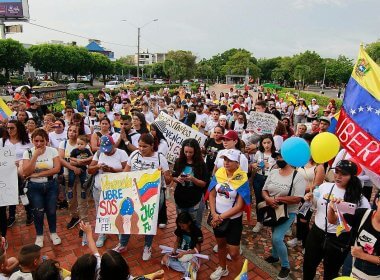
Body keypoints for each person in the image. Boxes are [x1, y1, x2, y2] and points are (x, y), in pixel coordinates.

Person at [302, 160, 371, 280]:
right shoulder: (324, 186)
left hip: (339, 239)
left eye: (343, 174)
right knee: (308, 265)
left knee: (331, 272)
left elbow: (365, 221)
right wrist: (310, 199)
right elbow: (316, 206)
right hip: (316, 233)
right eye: (337, 172)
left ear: (352, 177)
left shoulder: (360, 199)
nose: (338, 176)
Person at [113, 134, 172, 260]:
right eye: (139, 146)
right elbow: (126, 172)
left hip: (154, 195)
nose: (141, 149)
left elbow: (168, 181)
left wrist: (162, 174)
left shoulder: (160, 158)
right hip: (133, 191)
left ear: (152, 146)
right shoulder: (134, 155)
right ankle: (123, 244)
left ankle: (147, 246)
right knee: (126, 215)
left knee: (149, 219)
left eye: (144, 146)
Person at [207, 149, 251, 279]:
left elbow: (239, 206)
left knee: (233, 253)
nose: (226, 162)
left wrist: (219, 217)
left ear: (238, 163)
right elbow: (212, 193)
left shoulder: (242, 178)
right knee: (220, 245)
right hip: (217, 217)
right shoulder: (219, 172)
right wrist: (214, 213)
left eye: (230, 160)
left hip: (232, 221)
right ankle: (222, 268)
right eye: (225, 159)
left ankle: (241, 276)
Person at [262, 153, 306, 280]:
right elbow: (264, 189)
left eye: (282, 157)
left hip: (288, 212)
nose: (279, 160)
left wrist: (278, 198)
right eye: (278, 157)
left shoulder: (298, 176)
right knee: (274, 231)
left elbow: (298, 198)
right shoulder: (273, 172)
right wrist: (268, 199)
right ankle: (275, 256)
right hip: (272, 209)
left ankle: (285, 266)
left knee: (277, 237)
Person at [78, 222, 164, 280]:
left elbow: (94, 248)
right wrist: (154, 275)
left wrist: (88, 233)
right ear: (125, 267)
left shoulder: (98, 273)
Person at [22, 129, 62, 247]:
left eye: (42, 141)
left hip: (51, 185)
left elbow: (56, 169)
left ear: (46, 140)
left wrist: (38, 174)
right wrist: (35, 156)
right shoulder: (28, 153)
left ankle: (53, 233)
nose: (39, 144)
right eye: (36, 141)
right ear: (32, 141)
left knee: (51, 210)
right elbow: (26, 172)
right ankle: (39, 235)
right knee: (38, 212)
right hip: (34, 186)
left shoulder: (53, 151)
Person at [88, 135, 129, 248]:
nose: (106, 152)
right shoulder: (99, 153)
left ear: (113, 145)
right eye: (104, 150)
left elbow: (126, 171)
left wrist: (111, 170)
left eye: (108, 150)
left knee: (118, 211)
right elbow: (90, 170)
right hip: (100, 188)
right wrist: (97, 166)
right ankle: (103, 233)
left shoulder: (121, 153)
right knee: (101, 212)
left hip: (116, 189)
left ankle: (120, 232)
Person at [334, 195, 380, 278]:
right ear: (377, 201)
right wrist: (333, 207)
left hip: (374, 273)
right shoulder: (364, 214)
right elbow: (334, 220)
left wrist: (363, 255)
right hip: (353, 262)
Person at [0, 121, 33, 230]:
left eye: (12, 128)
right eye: (8, 128)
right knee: (9, 194)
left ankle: (29, 213)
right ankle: (12, 215)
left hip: (21, 173)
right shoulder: (3, 141)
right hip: (7, 173)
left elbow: (31, 157)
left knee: (22, 193)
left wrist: (22, 162)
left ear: (18, 128)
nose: (9, 130)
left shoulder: (27, 142)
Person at [172, 139, 209, 228]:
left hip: (195, 201)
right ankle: (181, 240)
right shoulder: (178, 161)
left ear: (196, 152)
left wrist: (193, 179)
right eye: (186, 152)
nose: (188, 154)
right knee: (181, 224)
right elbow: (173, 176)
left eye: (190, 152)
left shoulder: (201, 165)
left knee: (195, 225)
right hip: (180, 199)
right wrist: (178, 179)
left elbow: (204, 184)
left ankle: (194, 241)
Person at [161, 212, 203, 279]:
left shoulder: (197, 232)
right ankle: (190, 271)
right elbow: (177, 241)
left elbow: (198, 249)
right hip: (180, 251)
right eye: (180, 226)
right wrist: (174, 251)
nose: (181, 228)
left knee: (192, 263)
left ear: (189, 223)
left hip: (191, 253)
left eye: (183, 226)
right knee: (165, 258)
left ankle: (189, 270)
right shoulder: (180, 229)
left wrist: (184, 253)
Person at [251, 134, 277, 233]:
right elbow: (253, 163)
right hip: (259, 178)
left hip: (271, 179)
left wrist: (269, 165)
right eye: (264, 143)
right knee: (259, 200)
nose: (267, 145)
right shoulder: (259, 153)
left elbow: (279, 167)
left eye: (269, 142)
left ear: (272, 143)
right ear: (261, 144)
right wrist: (254, 165)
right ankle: (259, 221)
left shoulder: (275, 154)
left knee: (270, 200)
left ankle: (271, 219)